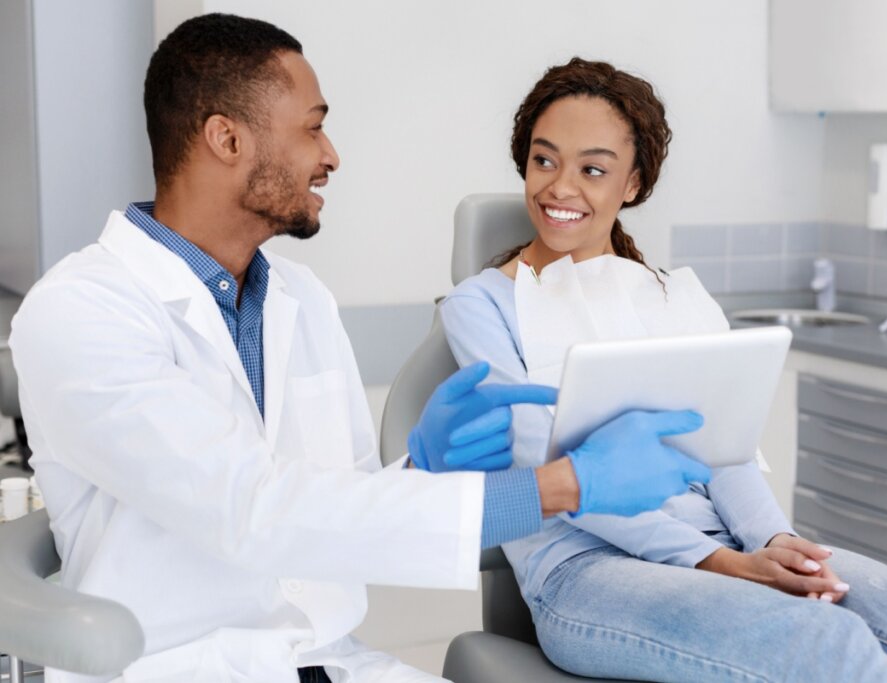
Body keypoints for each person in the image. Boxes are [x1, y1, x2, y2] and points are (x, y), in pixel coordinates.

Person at [8, 19, 713, 683]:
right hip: (184, 667)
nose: (331, 155)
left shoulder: (301, 298)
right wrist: (563, 486)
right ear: (227, 139)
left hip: (332, 660)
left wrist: (420, 469)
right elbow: (253, 508)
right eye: (313, 129)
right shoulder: (83, 313)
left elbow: (339, 501)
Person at [440, 57, 887, 683]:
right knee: (821, 644)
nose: (559, 187)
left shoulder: (671, 297)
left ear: (632, 184)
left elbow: (727, 449)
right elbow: (545, 472)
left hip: (727, 544)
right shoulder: (481, 306)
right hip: (586, 570)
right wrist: (717, 561)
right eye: (543, 160)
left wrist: (772, 543)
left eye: (592, 169)